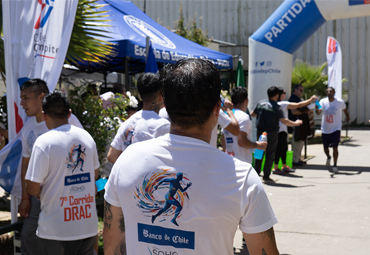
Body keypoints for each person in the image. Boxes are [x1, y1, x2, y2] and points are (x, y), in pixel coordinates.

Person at [103, 59, 280, 255]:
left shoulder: (127, 160)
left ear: (166, 105)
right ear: (216, 108)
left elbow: (111, 243)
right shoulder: (242, 177)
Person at [25, 91, 99, 255]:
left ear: (44, 115)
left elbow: (32, 187)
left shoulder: (44, 143)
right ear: (70, 113)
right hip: (86, 226)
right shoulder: (86, 137)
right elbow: (95, 174)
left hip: (54, 230)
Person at [18, 79, 84, 255]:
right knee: (29, 238)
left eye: (26, 97)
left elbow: (81, 153)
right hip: (37, 198)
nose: (22, 103)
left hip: (65, 197)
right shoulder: (28, 127)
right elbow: (26, 164)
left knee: (65, 242)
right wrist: (25, 197)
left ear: (41, 97)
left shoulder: (69, 120)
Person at [107, 73, 169, 164]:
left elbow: (111, 156)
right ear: (161, 96)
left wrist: (128, 169)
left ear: (140, 96)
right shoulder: (164, 126)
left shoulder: (127, 123)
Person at [250, 86, 302, 183]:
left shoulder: (260, 103)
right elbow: (284, 120)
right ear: (277, 95)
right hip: (272, 133)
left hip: (260, 132)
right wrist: (296, 123)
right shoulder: (276, 107)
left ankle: (256, 174)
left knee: (259, 152)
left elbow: (253, 114)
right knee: (270, 154)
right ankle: (266, 176)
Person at [273, 88, 317, 175]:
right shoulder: (282, 103)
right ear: (278, 95)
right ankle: (276, 167)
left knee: (284, 149)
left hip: (282, 129)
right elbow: (298, 105)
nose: (285, 94)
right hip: (280, 130)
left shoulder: (272, 104)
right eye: (284, 93)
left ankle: (284, 166)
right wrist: (310, 100)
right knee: (279, 149)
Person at [222, 87, 266, 163]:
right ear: (246, 100)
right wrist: (257, 145)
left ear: (232, 101)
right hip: (242, 162)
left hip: (229, 161)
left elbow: (223, 141)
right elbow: (242, 142)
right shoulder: (244, 117)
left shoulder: (226, 115)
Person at [315, 87, 350, 174]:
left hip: (336, 128)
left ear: (334, 92)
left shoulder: (339, 102)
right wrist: (316, 105)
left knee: (335, 147)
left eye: (330, 91)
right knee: (325, 148)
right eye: (327, 91)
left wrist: (348, 118)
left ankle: (335, 165)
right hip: (325, 129)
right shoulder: (323, 101)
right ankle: (328, 157)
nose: (328, 93)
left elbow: (345, 110)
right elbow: (318, 112)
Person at [288, 84, 312, 167]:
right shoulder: (293, 99)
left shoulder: (299, 99)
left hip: (302, 125)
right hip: (296, 124)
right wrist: (305, 112)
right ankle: (294, 160)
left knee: (301, 142)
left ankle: (298, 158)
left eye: (302, 90)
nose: (302, 92)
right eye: (300, 90)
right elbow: (293, 111)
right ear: (295, 90)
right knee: (297, 142)